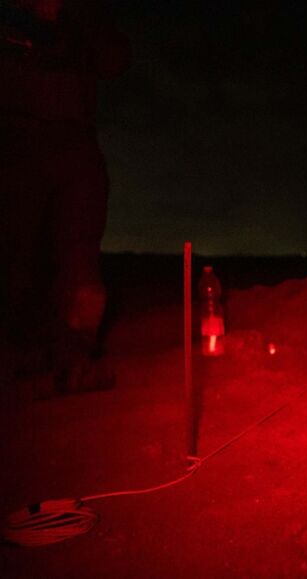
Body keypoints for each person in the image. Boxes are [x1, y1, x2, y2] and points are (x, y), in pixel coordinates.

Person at [0, 0, 129, 394]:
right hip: (15, 144)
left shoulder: (80, 17)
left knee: (80, 258)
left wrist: (73, 15)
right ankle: (18, 360)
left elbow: (114, 60)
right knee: (15, 254)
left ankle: (74, 356)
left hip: (75, 144)